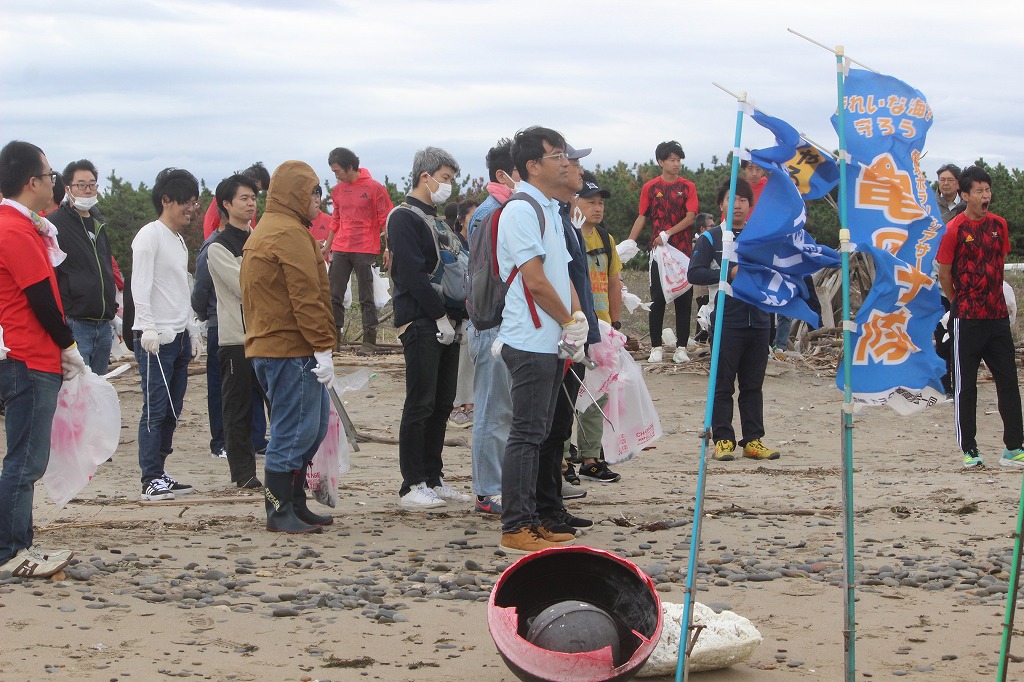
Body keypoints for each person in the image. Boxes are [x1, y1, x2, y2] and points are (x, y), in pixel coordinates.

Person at [496, 126, 585, 553]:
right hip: (529, 339)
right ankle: (515, 524)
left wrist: (578, 320)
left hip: (552, 340)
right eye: (557, 155)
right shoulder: (520, 209)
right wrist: (568, 320)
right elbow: (534, 281)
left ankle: (534, 517)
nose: (565, 162)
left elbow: (562, 274)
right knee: (527, 435)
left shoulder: (550, 207)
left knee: (544, 433)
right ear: (532, 165)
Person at [0, 140, 82, 578]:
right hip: (28, 358)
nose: (54, 182)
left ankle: (20, 543)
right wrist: (68, 345)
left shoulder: (25, 226)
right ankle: (10, 551)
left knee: (26, 457)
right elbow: (39, 297)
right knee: (25, 459)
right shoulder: (13, 228)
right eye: (50, 175)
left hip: (31, 357)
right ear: (32, 182)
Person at [241, 160, 336, 533]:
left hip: (282, 346)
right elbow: (306, 297)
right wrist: (322, 345)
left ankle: (294, 503)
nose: (318, 199)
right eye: (313, 192)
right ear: (296, 194)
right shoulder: (287, 234)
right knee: (294, 430)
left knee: (310, 429)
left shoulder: (278, 228)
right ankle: (279, 510)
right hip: (289, 349)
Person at [386, 146, 472, 510]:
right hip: (421, 320)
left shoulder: (438, 221)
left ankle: (434, 477)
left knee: (442, 403)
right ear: (426, 176)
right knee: (420, 402)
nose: (449, 185)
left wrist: (459, 319)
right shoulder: (402, 218)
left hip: (450, 321)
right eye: (445, 178)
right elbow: (409, 273)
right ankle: (412, 483)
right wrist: (437, 316)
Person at [936, 166, 1024, 469]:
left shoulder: (999, 225)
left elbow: (998, 263)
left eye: (988, 190)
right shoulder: (954, 229)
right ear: (965, 195)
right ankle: (970, 449)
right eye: (979, 191)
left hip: (997, 316)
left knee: (1008, 382)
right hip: (967, 318)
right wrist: (958, 302)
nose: (985, 196)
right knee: (966, 386)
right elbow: (944, 273)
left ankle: (1014, 448)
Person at [688, 179, 780, 463]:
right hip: (727, 321)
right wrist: (727, 273)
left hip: (760, 321)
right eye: (731, 199)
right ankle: (723, 439)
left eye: (743, 199)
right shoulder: (712, 238)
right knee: (723, 384)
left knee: (753, 386)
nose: (737, 205)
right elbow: (694, 273)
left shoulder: (761, 237)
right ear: (721, 204)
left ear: (750, 205)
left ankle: (753, 440)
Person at [132, 168, 202, 501]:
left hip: (178, 336)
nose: (191, 208)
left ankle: (160, 470)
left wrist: (192, 328)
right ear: (166, 200)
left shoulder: (177, 240)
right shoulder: (150, 235)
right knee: (155, 408)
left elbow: (180, 288)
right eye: (186, 202)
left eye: (194, 202)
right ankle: (149, 478)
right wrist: (147, 326)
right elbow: (140, 284)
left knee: (173, 409)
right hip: (155, 339)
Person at [466, 139, 520, 515]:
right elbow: (487, 275)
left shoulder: (508, 209)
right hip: (492, 322)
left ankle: (501, 483)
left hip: (505, 323)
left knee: (505, 408)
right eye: (521, 170)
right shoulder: (490, 213)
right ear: (503, 175)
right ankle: (487, 489)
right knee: (491, 408)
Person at [208, 174, 264, 489]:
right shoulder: (218, 246)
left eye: (253, 198)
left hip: (267, 336)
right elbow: (247, 286)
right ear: (226, 204)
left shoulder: (259, 238)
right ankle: (243, 473)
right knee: (238, 408)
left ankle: (290, 471)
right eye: (244, 198)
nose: (250, 203)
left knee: (278, 403)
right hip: (236, 339)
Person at [626, 141, 698, 363]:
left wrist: (668, 233)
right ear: (661, 161)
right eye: (672, 160)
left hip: (682, 251)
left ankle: (681, 347)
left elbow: (691, 217)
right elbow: (642, 216)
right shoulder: (651, 187)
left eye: (679, 160)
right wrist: (629, 243)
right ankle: (656, 346)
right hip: (659, 252)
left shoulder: (687, 186)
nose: (676, 164)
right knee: (657, 298)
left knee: (684, 300)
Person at [572, 171, 622, 484]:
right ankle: (564, 457)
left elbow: (614, 282)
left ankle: (590, 458)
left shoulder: (606, 239)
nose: (598, 207)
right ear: (574, 202)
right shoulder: (567, 233)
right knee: (568, 393)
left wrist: (615, 323)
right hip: (573, 325)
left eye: (600, 202)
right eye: (590, 201)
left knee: (597, 392)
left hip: (601, 327)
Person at [50, 159, 117, 375]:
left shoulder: (98, 222)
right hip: (76, 323)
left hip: (103, 324)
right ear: (68, 189)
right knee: (77, 388)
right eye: (81, 185)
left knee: (98, 388)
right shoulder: (56, 223)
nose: (88, 190)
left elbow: (105, 266)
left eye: (92, 184)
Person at [326, 147, 394, 355]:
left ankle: (369, 340)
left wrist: (388, 247)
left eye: (337, 171)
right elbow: (335, 219)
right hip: (341, 247)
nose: (336, 176)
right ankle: (333, 339)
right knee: (333, 294)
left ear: (349, 167)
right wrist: (327, 246)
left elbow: (386, 219)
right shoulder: (337, 190)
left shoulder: (374, 187)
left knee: (366, 295)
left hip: (365, 247)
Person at [450, 198, 478, 429]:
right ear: (461, 220)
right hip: (460, 311)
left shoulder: (480, 243)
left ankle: (470, 403)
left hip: (478, 311)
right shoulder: (455, 245)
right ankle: (456, 406)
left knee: (473, 361)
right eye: (473, 216)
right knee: (461, 359)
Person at [202, 162, 269, 238]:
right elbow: (209, 222)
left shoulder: (250, 204)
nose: (255, 193)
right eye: (257, 189)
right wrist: (211, 242)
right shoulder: (225, 196)